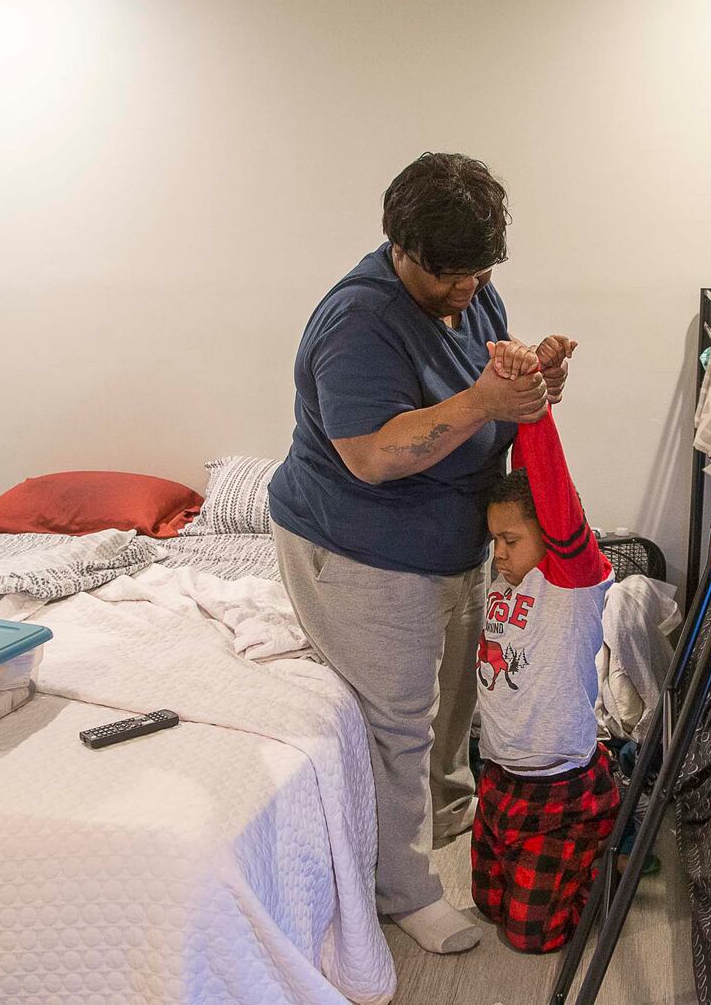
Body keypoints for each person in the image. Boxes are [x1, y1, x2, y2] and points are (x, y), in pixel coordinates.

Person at [267, 152, 575, 955]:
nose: (467, 289)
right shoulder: (357, 323)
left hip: (451, 538)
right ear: (400, 248)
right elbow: (371, 454)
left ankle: (442, 821)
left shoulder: (469, 286)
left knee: (453, 700)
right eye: (449, 275)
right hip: (361, 544)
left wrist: (528, 381)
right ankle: (400, 891)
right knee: (397, 721)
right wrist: (483, 400)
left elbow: (488, 377)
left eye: (479, 271)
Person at [470, 339, 619, 953]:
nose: (498, 553)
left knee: (534, 938)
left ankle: (599, 849)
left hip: (560, 787)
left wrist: (534, 403)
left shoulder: (572, 581)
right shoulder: (500, 573)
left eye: (510, 540)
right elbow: (515, 481)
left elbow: (551, 491)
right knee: (487, 906)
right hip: (500, 775)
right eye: (493, 540)